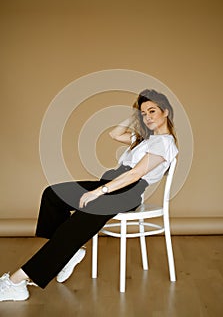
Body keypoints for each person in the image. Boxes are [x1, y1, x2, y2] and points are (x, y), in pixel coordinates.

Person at [0, 89, 178, 301]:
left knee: (75, 225)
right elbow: (114, 134)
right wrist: (134, 115)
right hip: (112, 183)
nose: (147, 117)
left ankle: (17, 282)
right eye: (143, 113)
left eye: (152, 111)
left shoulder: (165, 143)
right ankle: (69, 253)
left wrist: (99, 192)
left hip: (126, 191)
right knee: (52, 195)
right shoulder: (143, 140)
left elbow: (136, 174)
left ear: (165, 111)